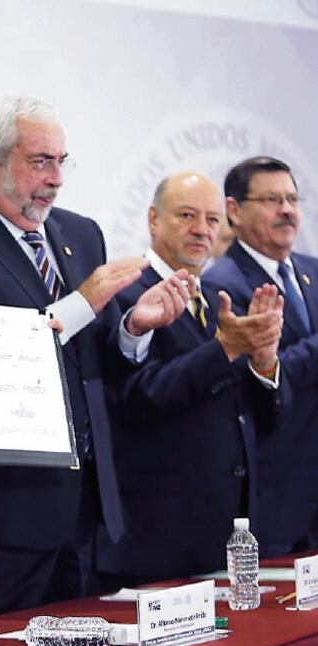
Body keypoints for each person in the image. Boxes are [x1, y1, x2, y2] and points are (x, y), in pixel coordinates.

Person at [0, 93, 189, 620]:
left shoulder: (80, 233)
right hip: (1, 516)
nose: (56, 179)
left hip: (84, 510)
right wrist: (84, 301)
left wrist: (133, 326)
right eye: (40, 162)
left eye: (62, 161)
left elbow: (94, 358)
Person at [98, 172, 286, 587]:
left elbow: (261, 419)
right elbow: (137, 401)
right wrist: (224, 350)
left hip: (229, 531)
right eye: (187, 215)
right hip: (156, 538)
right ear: (153, 219)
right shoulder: (125, 294)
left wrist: (264, 362)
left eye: (212, 219)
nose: (202, 229)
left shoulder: (220, 301)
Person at [204, 156, 318, 555]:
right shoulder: (220, 286)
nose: (286, 210)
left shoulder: (313, 271)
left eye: (292, 199)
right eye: (272, 200)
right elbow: (249, 382)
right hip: (274, 494)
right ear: (233, 210)